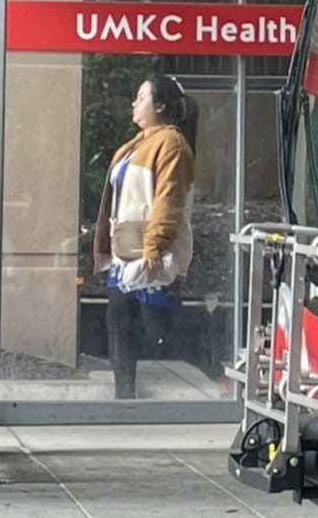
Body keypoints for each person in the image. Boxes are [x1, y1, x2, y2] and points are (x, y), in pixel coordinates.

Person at [92, 74, 197, 400]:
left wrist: (156, 243)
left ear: (161, 106)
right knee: (119, 323)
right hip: (126, 253)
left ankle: (215, 372)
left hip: (149, 251)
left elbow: (169, 199)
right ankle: (125, 396)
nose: (134, 104)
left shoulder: (170, 144)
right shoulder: (136, 144)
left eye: (142, 98)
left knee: (159, 327)